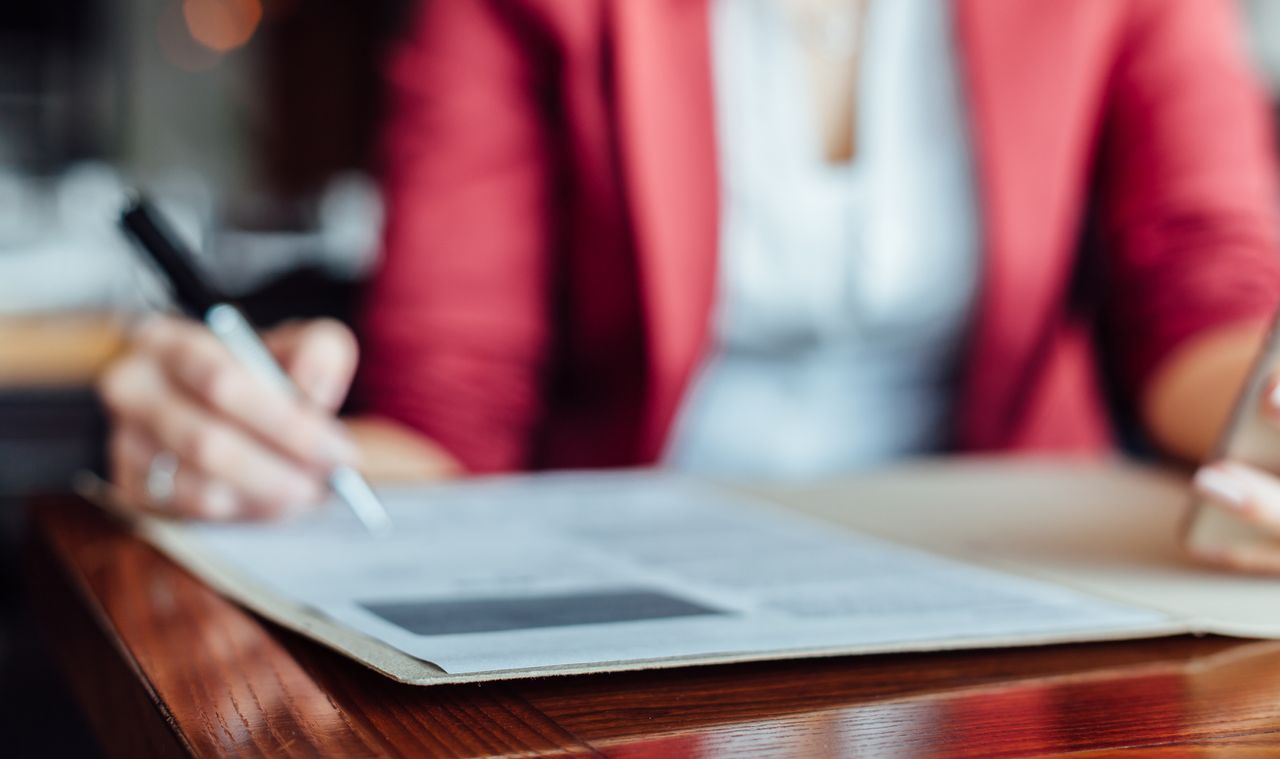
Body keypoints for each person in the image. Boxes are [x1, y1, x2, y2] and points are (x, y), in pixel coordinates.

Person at [100, 0, 1280, 571]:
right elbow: (450, 415)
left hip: (1024, 601)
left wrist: (1268, 417)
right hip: (621, 624)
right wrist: (256, 446)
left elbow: (1206, 296)